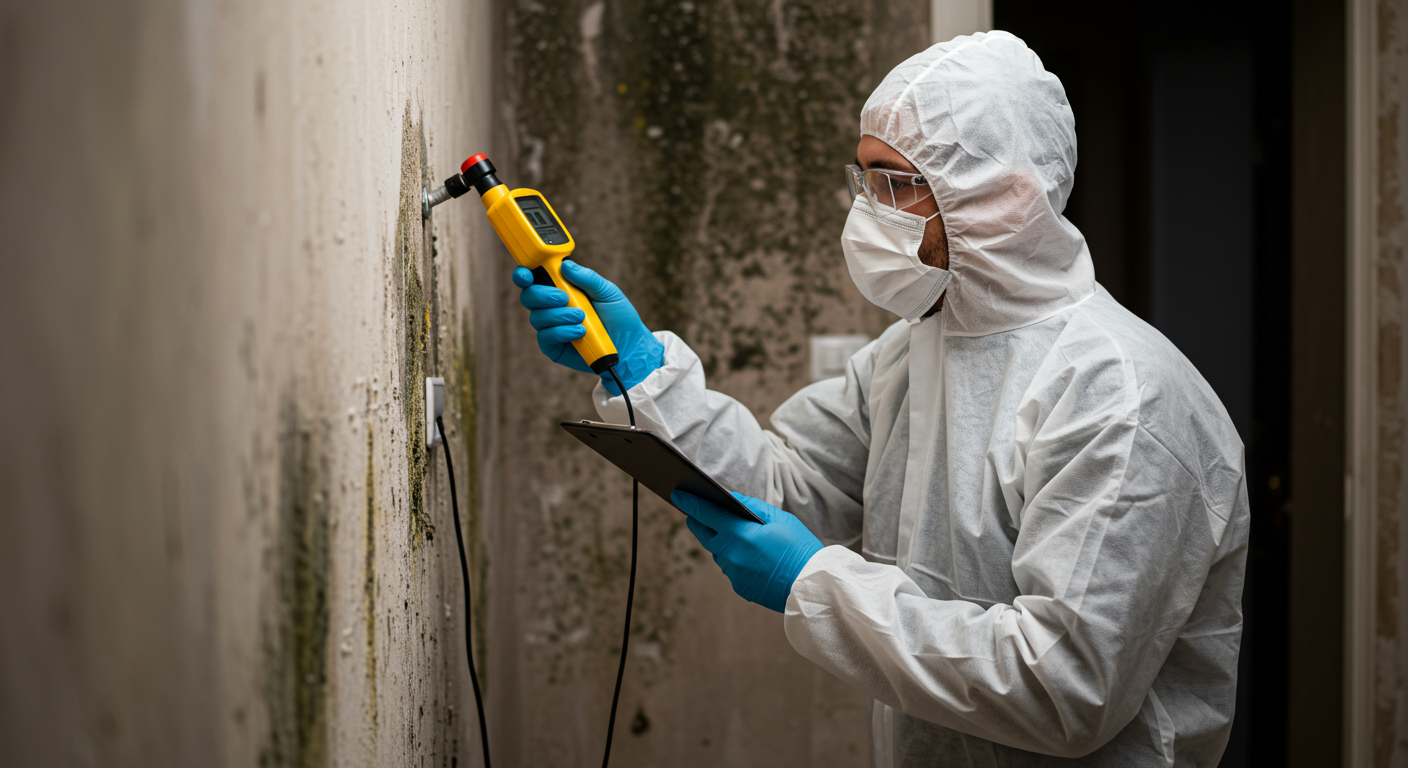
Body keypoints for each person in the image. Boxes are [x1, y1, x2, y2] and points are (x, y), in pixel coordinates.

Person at [512, 30, 1248, 767]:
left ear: (1009, 196)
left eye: (896, 184)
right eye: (864, 180)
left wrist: (816, 585)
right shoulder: (913, 348)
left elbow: (1062, 688)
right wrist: (639, 372)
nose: (868, 212)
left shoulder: (1122, 398)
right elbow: (788, 491)